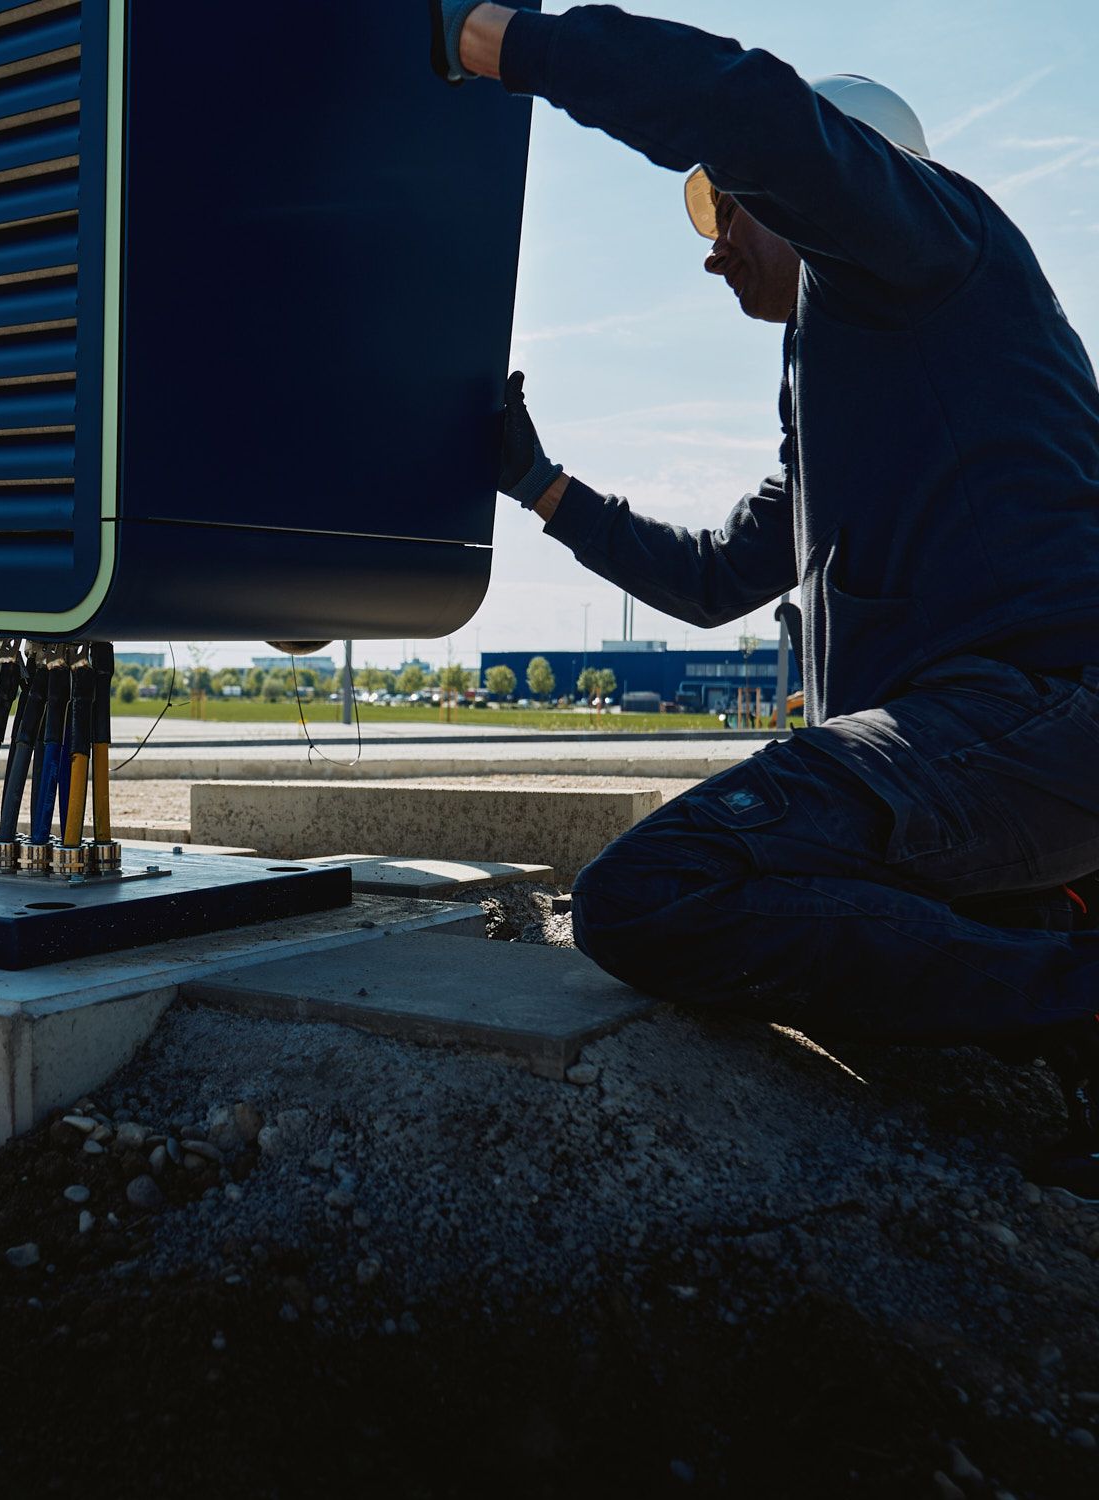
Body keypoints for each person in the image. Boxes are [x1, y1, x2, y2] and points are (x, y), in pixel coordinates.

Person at [434, 3, 1099, 1198]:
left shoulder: (926, 235)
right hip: (1002, 762)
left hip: (1032, 717)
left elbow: (748, 110)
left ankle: (1070, 998)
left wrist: (495, 40)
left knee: (645, 899)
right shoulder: (852, 384)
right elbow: (708, 582)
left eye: (726, 206)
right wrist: (540, 486)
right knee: (838, 924)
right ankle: (1042, 981)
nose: (712, 242)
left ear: (816, 189)